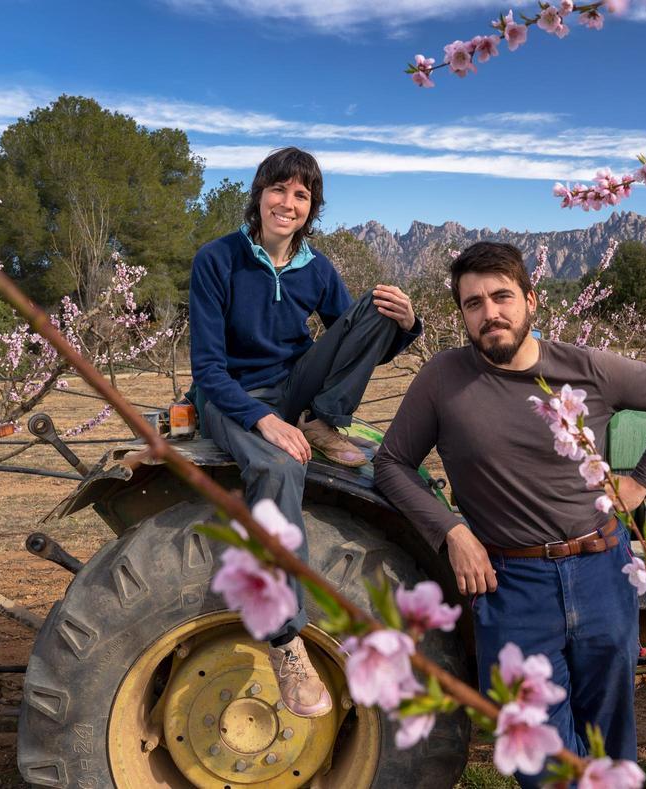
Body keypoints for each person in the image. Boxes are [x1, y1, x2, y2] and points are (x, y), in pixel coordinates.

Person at [373, 241, 646, 784]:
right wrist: (453, 530)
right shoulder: (442, 379)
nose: (490, 313)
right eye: (473, 303)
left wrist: (643, 482)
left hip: (601, 570)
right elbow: (391, 464)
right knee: (537, 750)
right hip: (510, 582)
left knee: (608, 737)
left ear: (531, 300)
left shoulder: (586, 369)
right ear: (462, 314)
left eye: (502, 297)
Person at [189, 147, 421, 718]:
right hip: (231, 397)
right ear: (259, 194)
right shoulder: (218, 260)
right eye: (279, 189)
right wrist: (263, 420)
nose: (288, 203)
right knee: (277, 466)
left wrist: (408, 325)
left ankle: (321, 420)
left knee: (374, 306)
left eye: (301, 195)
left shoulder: (316, 269)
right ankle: (286, 640)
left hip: (295, 390)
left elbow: (355, 339)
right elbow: (208, 370)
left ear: (311, 207)